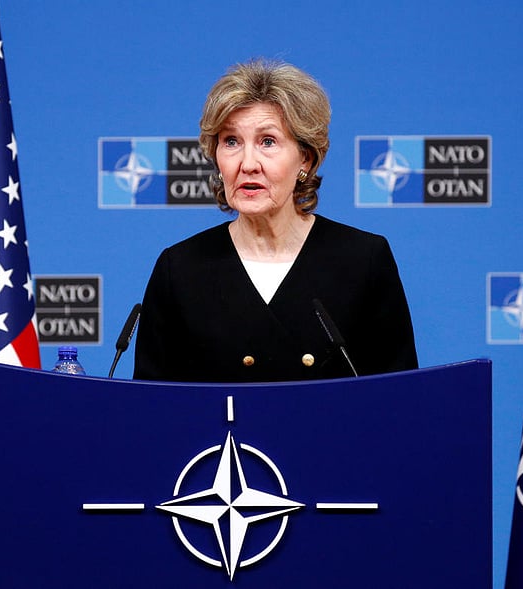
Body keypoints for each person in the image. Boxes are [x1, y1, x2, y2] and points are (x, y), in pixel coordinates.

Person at [133, 59, 417, 382]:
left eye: (267, 142)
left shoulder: (364, 260)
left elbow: (400, 401)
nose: (248, 164)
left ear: (305, 159)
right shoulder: (180, 269)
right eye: (231, 141)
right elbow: (150, 406)